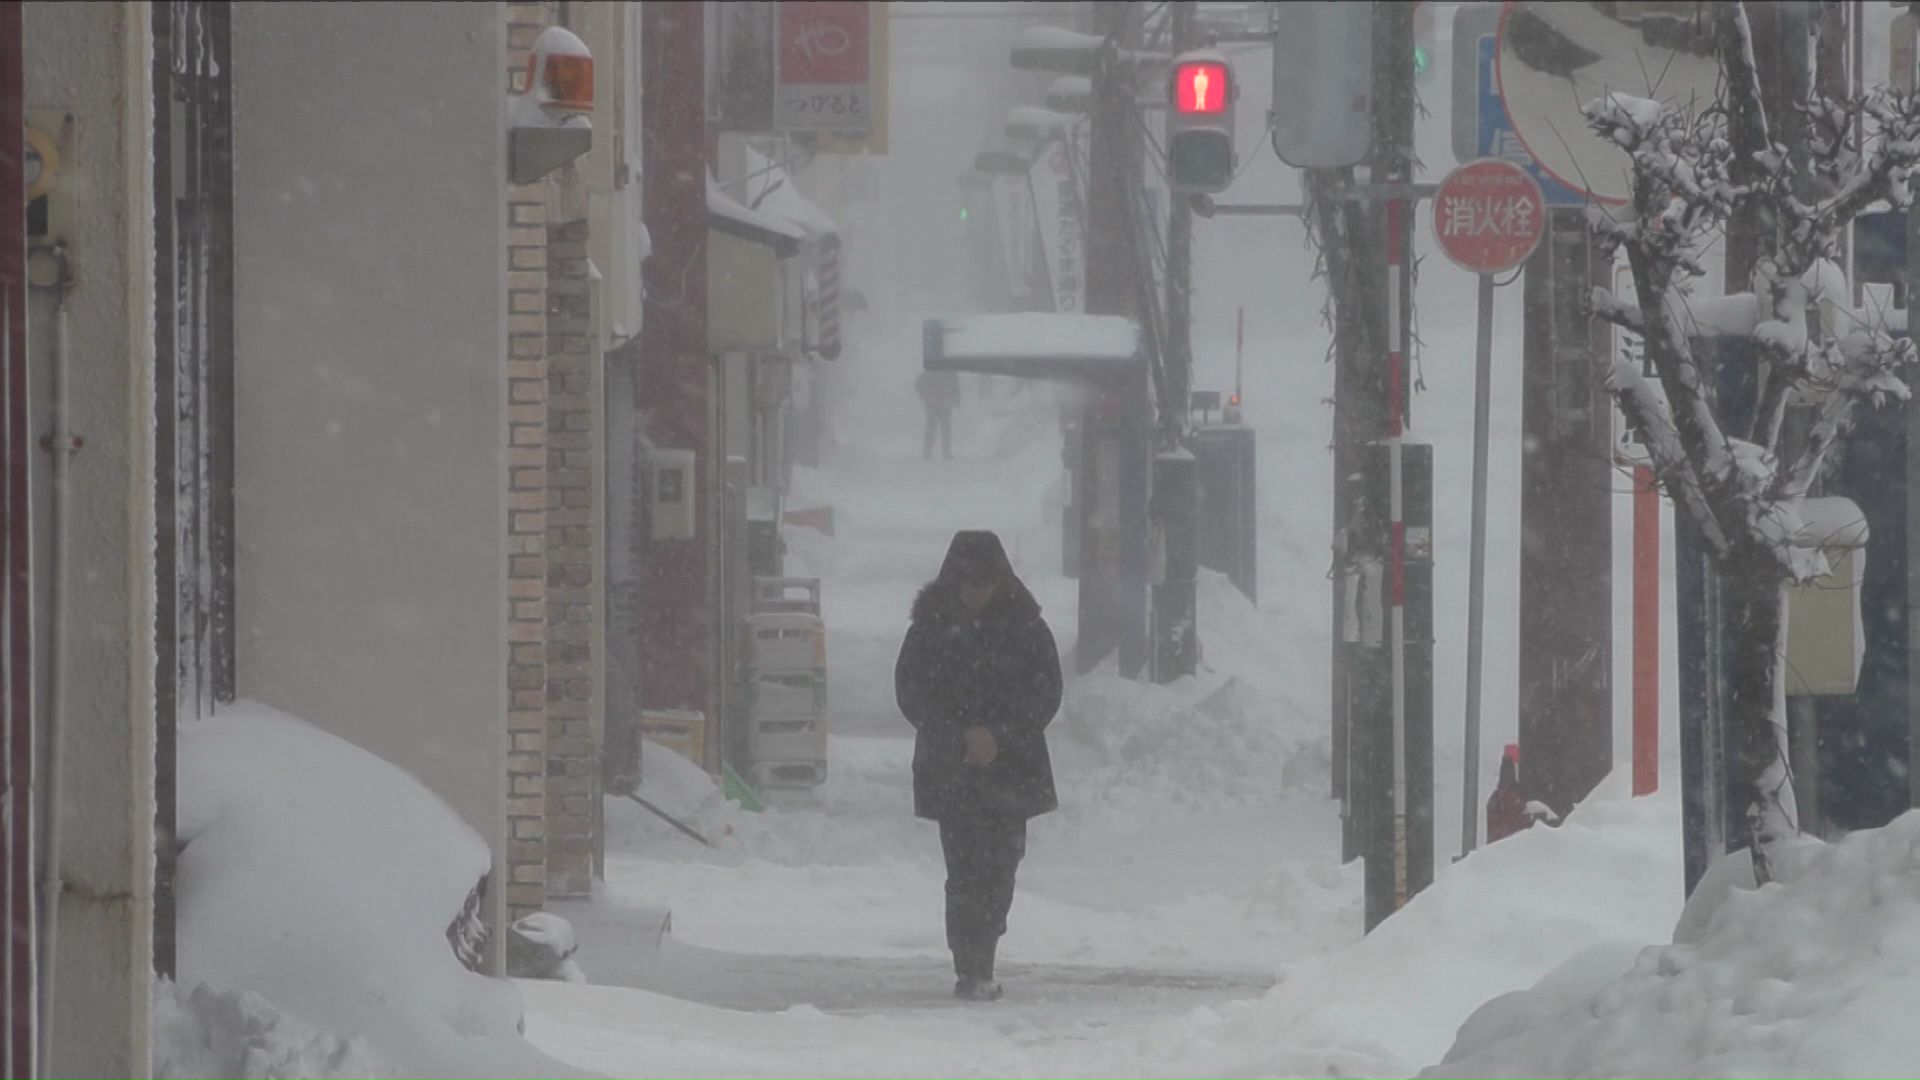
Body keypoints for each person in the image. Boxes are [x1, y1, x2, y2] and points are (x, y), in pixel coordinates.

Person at [894, 531, 1062, 1002]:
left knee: (1001, 865)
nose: (976, 591)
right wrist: (963, 734)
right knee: (964, 867)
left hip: (1011, 769)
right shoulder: (930, 627)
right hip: (954, 771)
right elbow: (912, 693)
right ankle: (970, 963)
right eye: (968, 581)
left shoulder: (1027, 628)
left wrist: (999, 735)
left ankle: (983, 946)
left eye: (985, 582)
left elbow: (1046, 693)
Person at [915, 370, 961, 460]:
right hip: (937, 404)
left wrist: (957, 400)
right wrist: (925, 396)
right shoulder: (935, 371)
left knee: (941, 429)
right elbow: (955, 386)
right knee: (935, 429)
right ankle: (932, 453)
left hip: (940, 405)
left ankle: (939, 452)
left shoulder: (946, 372)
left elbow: (955, 386)